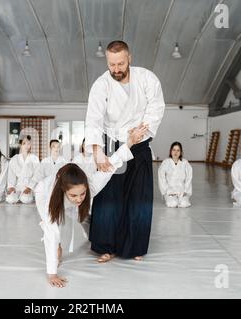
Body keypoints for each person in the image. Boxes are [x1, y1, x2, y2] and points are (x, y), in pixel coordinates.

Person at [35, 125, 147, 288]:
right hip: (44, 195)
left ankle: (92, 237)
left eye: (82, 194)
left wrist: (129, 142)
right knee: (53, 228)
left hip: (73, 192)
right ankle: (58, 249)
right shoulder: (50, 195)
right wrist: (52, 273)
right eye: (74, 195)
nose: (79, 199)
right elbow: (51, 232)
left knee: (85, 217)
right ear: (64, 191)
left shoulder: (92, 185)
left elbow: (113, 163)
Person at [84, 40, 165, 262]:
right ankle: (105, 246)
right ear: (107, 62)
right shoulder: (101, 85)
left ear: (129, 58)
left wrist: (143, 130)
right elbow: (93, 119)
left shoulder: (147, 78)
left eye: (120, 63)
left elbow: (156, 107)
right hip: (111, 143)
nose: (116, 69)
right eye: (112, 65)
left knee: (139, 198)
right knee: (109, 197)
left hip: (139, 142)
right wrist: (98, 151)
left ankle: (134, 246)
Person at [6, 135, 40, 204]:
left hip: (29, 186)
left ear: (31, 145)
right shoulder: (14, 158)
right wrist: (11, 186)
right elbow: (11, 174)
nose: (26, 146)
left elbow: (37, 175)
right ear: (20, 145)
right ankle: (17, 195)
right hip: (17, 186)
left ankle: (25, 195)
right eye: (24, 143)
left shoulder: (34, 158)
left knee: (26, 200)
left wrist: (30, 187)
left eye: (28, 144)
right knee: (11, 199)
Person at [158, 142, 193, 208]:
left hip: (182, 190)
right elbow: (161, 177)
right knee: (173, 203)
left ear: (181, 152)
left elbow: (189, 177)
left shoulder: (185, 163)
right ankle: (170, 198)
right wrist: (166, 191)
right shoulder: (166, 162)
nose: (175, 152)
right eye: (174, 150)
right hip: (170, 191)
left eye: (178, 150)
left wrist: (185, 190)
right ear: (171, 151)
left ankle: (181, 198)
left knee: (184, 203)